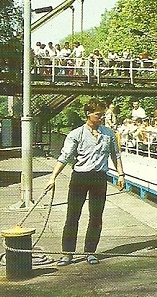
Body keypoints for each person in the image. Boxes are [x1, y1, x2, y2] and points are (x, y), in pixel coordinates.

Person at [45, 99, 125, 266]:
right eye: (98, 115)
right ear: (88, 115)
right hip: (80, 178)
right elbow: (64, 157)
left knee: (96, 217)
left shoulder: (108, 134)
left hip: (99, 178)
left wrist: (121, 175)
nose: (102, 118)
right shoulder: (76, 134)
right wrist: (53, 177)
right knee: (72, 216)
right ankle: (67, 253)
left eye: (103, 115)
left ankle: (90, 251)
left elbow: (115, 155)